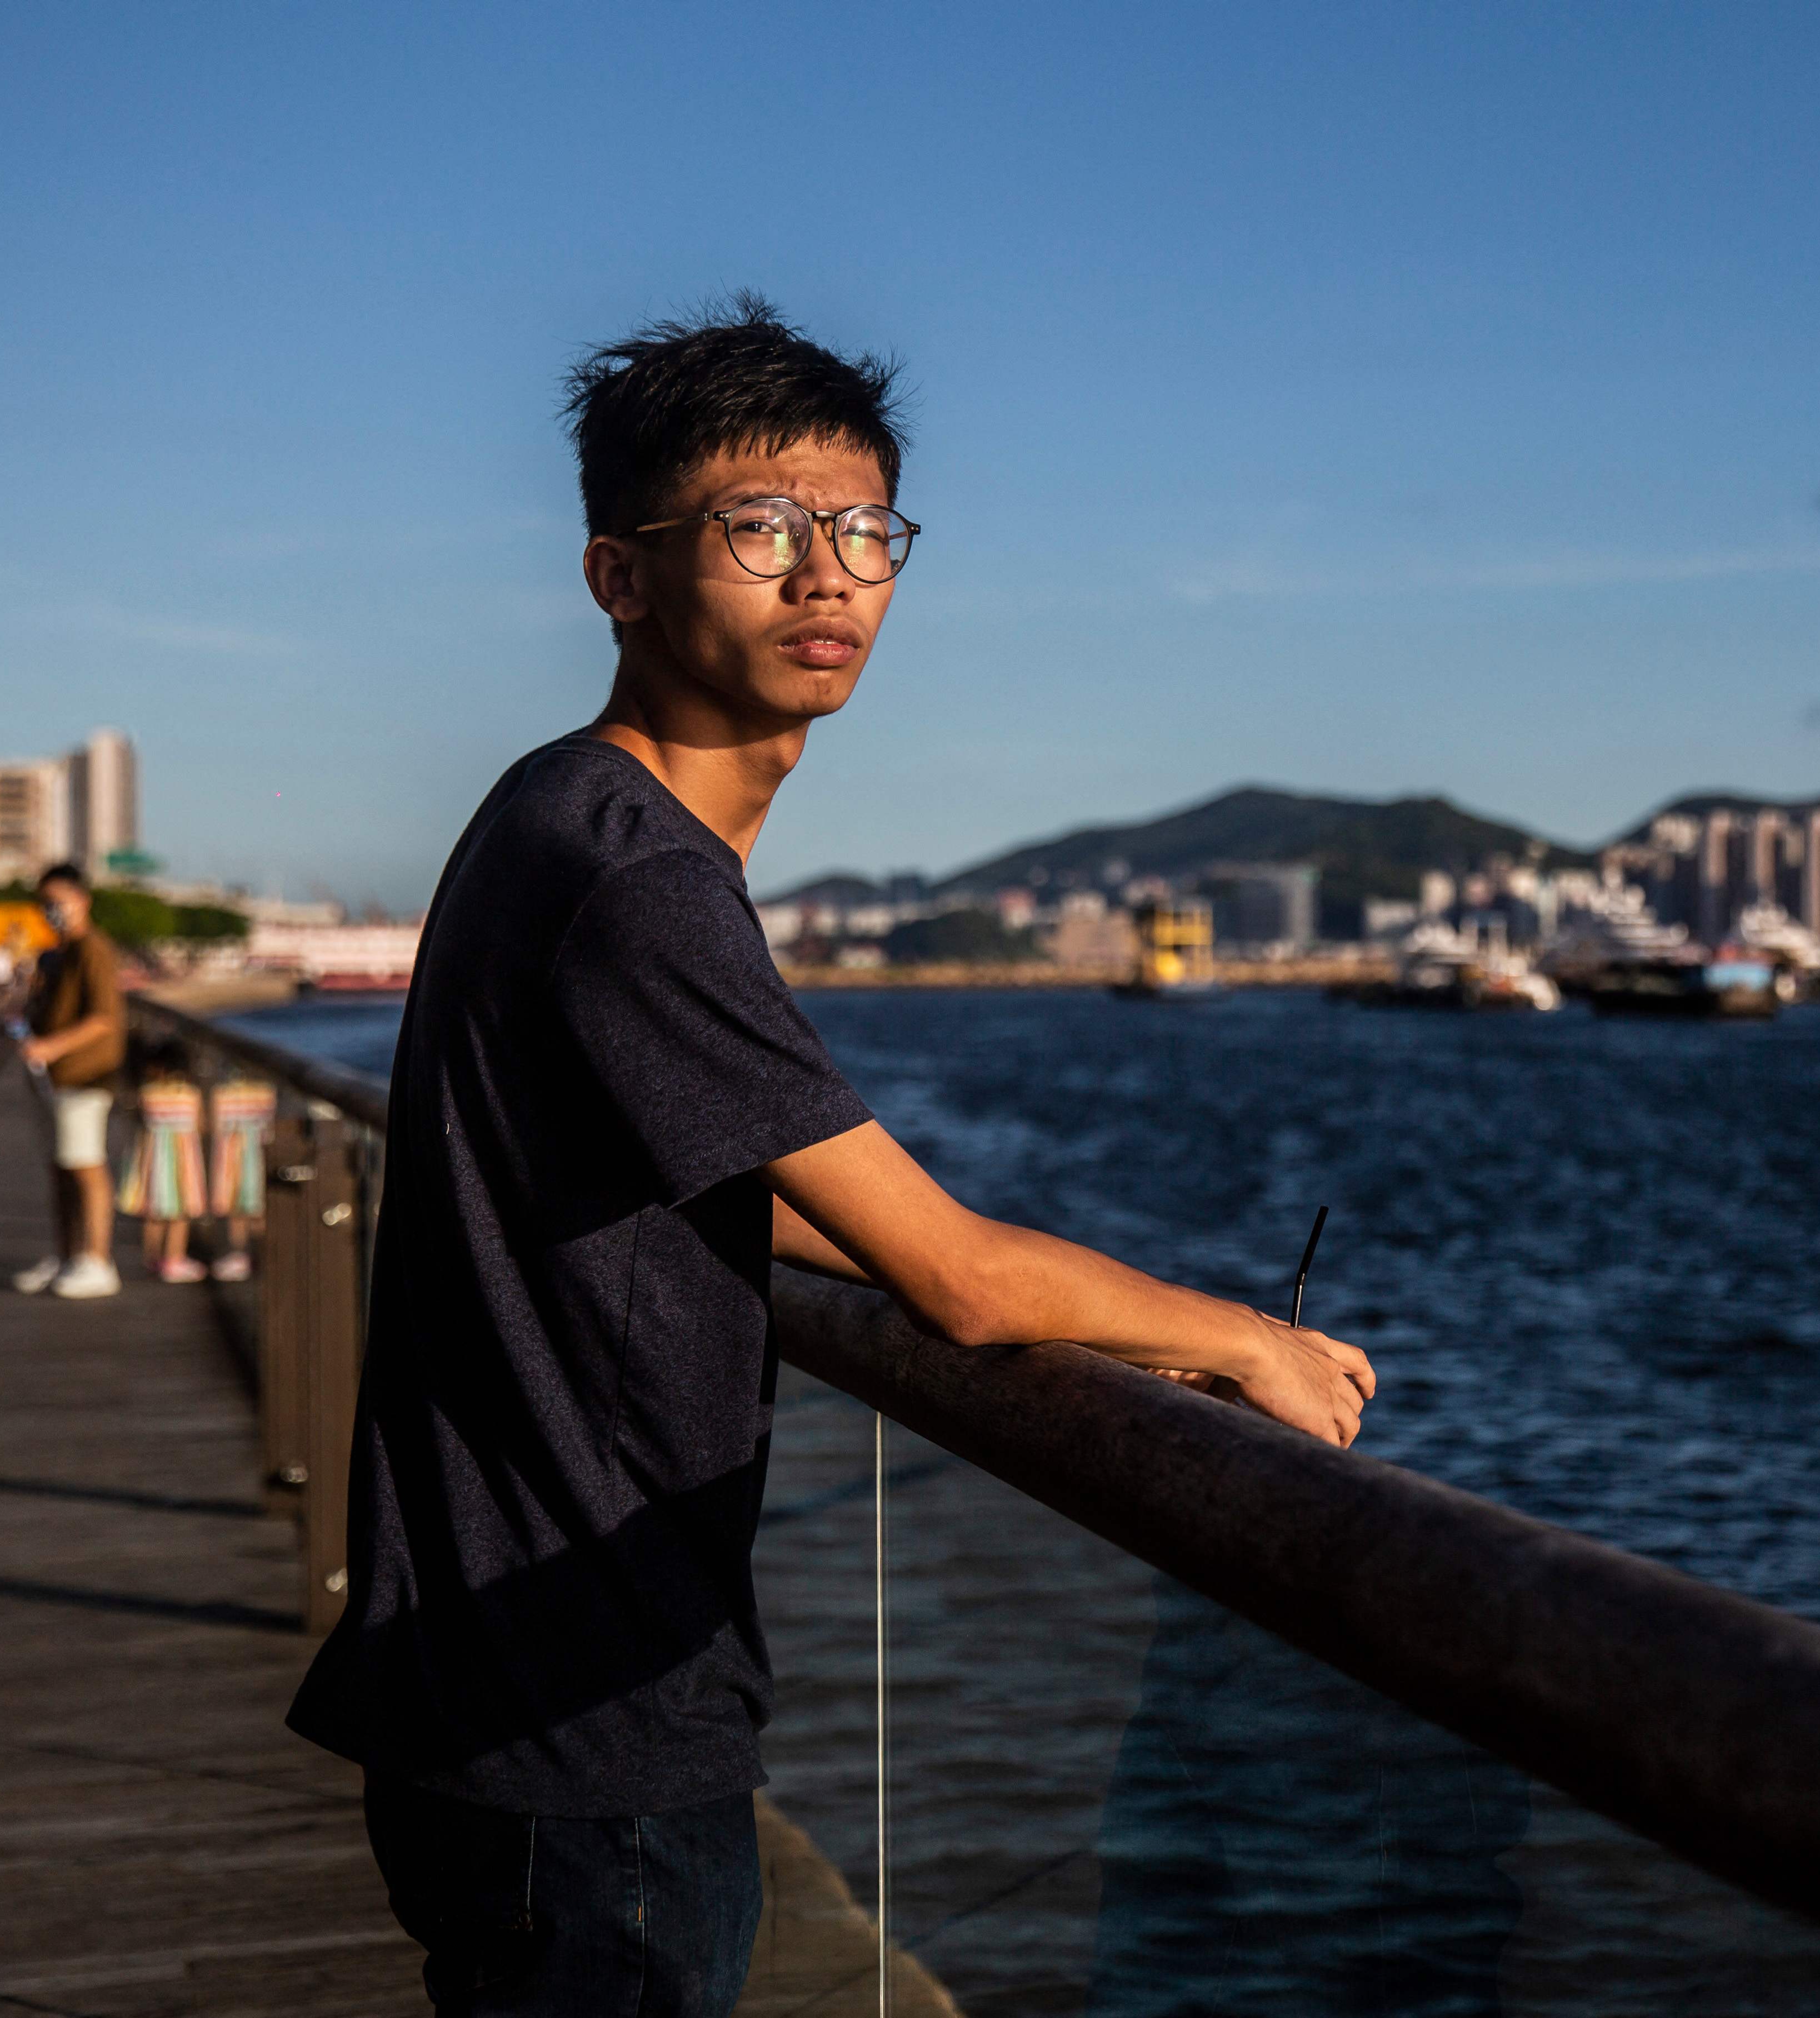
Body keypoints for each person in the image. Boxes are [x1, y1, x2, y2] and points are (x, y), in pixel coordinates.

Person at [286, 298, 1377, 2017]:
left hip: (495, 1679)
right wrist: (1242, 1337)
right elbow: (947, 1269)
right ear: (619, 575)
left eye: (866, 530)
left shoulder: (557, 811)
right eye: (760, 527)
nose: (828, 577)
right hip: (578, 1719)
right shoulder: (636, 875)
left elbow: (748, 1199)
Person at [13, 863, 127, 1300]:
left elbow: (105, 1018)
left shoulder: (93, 948)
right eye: (45, 903)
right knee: (63, 1167)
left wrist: (51, 1047)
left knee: (86, 1164)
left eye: (58, 901)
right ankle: (68, 1257)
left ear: (83, 900)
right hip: (56, 1081)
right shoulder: (60, 952)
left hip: (87, 1075)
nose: (51, 910)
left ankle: (97, 1260)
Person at [116, 1035, 209, 1284]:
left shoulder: (147, 1094)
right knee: (180, 1214)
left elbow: (138, 1122)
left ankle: (152, 1259)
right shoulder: (191, 1094)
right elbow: (201, 1125)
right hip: (183, 1161)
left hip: (152, 1161)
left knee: (153, 1214)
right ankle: (175, 1259)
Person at [206, 1069, 274, 1281]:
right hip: (259, 1155)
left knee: (238, 1209)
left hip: (232, 1157)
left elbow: (215, 1126)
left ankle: (240, 1254)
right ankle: (265, 1255)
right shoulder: (267, 1092)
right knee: (259, 1210)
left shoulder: (222, 1093)